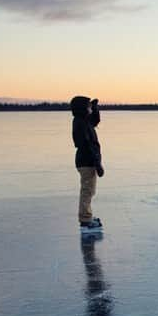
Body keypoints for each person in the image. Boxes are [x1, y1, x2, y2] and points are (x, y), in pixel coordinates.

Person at [71, 95, 103, 232]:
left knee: (90, 190)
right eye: (89, 106)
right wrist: (98, 164)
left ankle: (87, 216)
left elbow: (95, 121)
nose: (90, 108)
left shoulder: (83, 120)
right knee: (87, 190)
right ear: (82, 109)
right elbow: (87, 145)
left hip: (87, 161)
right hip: (86, 161)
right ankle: (85, 220)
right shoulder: (81, 123)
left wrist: (95, 109)